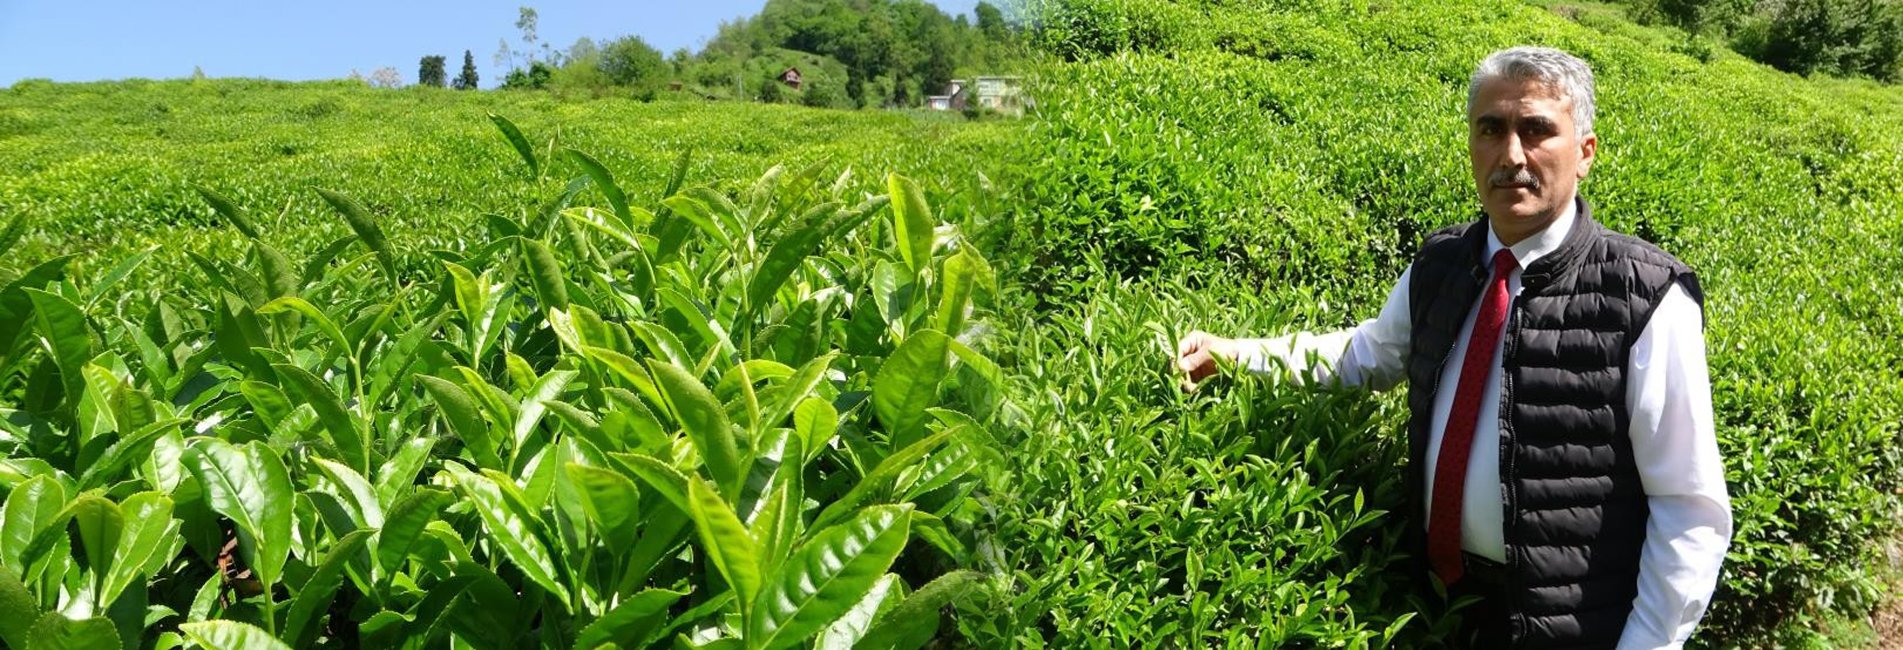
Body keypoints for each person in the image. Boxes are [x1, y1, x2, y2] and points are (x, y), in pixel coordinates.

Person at [1174, 47, 1730, 649]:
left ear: (1585, 153)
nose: (1511, 154)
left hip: (1569, 627)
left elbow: (1687, 506)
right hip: (1435, 606)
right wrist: (1233, 354)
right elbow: (1366, 354)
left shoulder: (1644, 295)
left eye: (1537, 129)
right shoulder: (1443, 263)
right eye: (1491, 129)